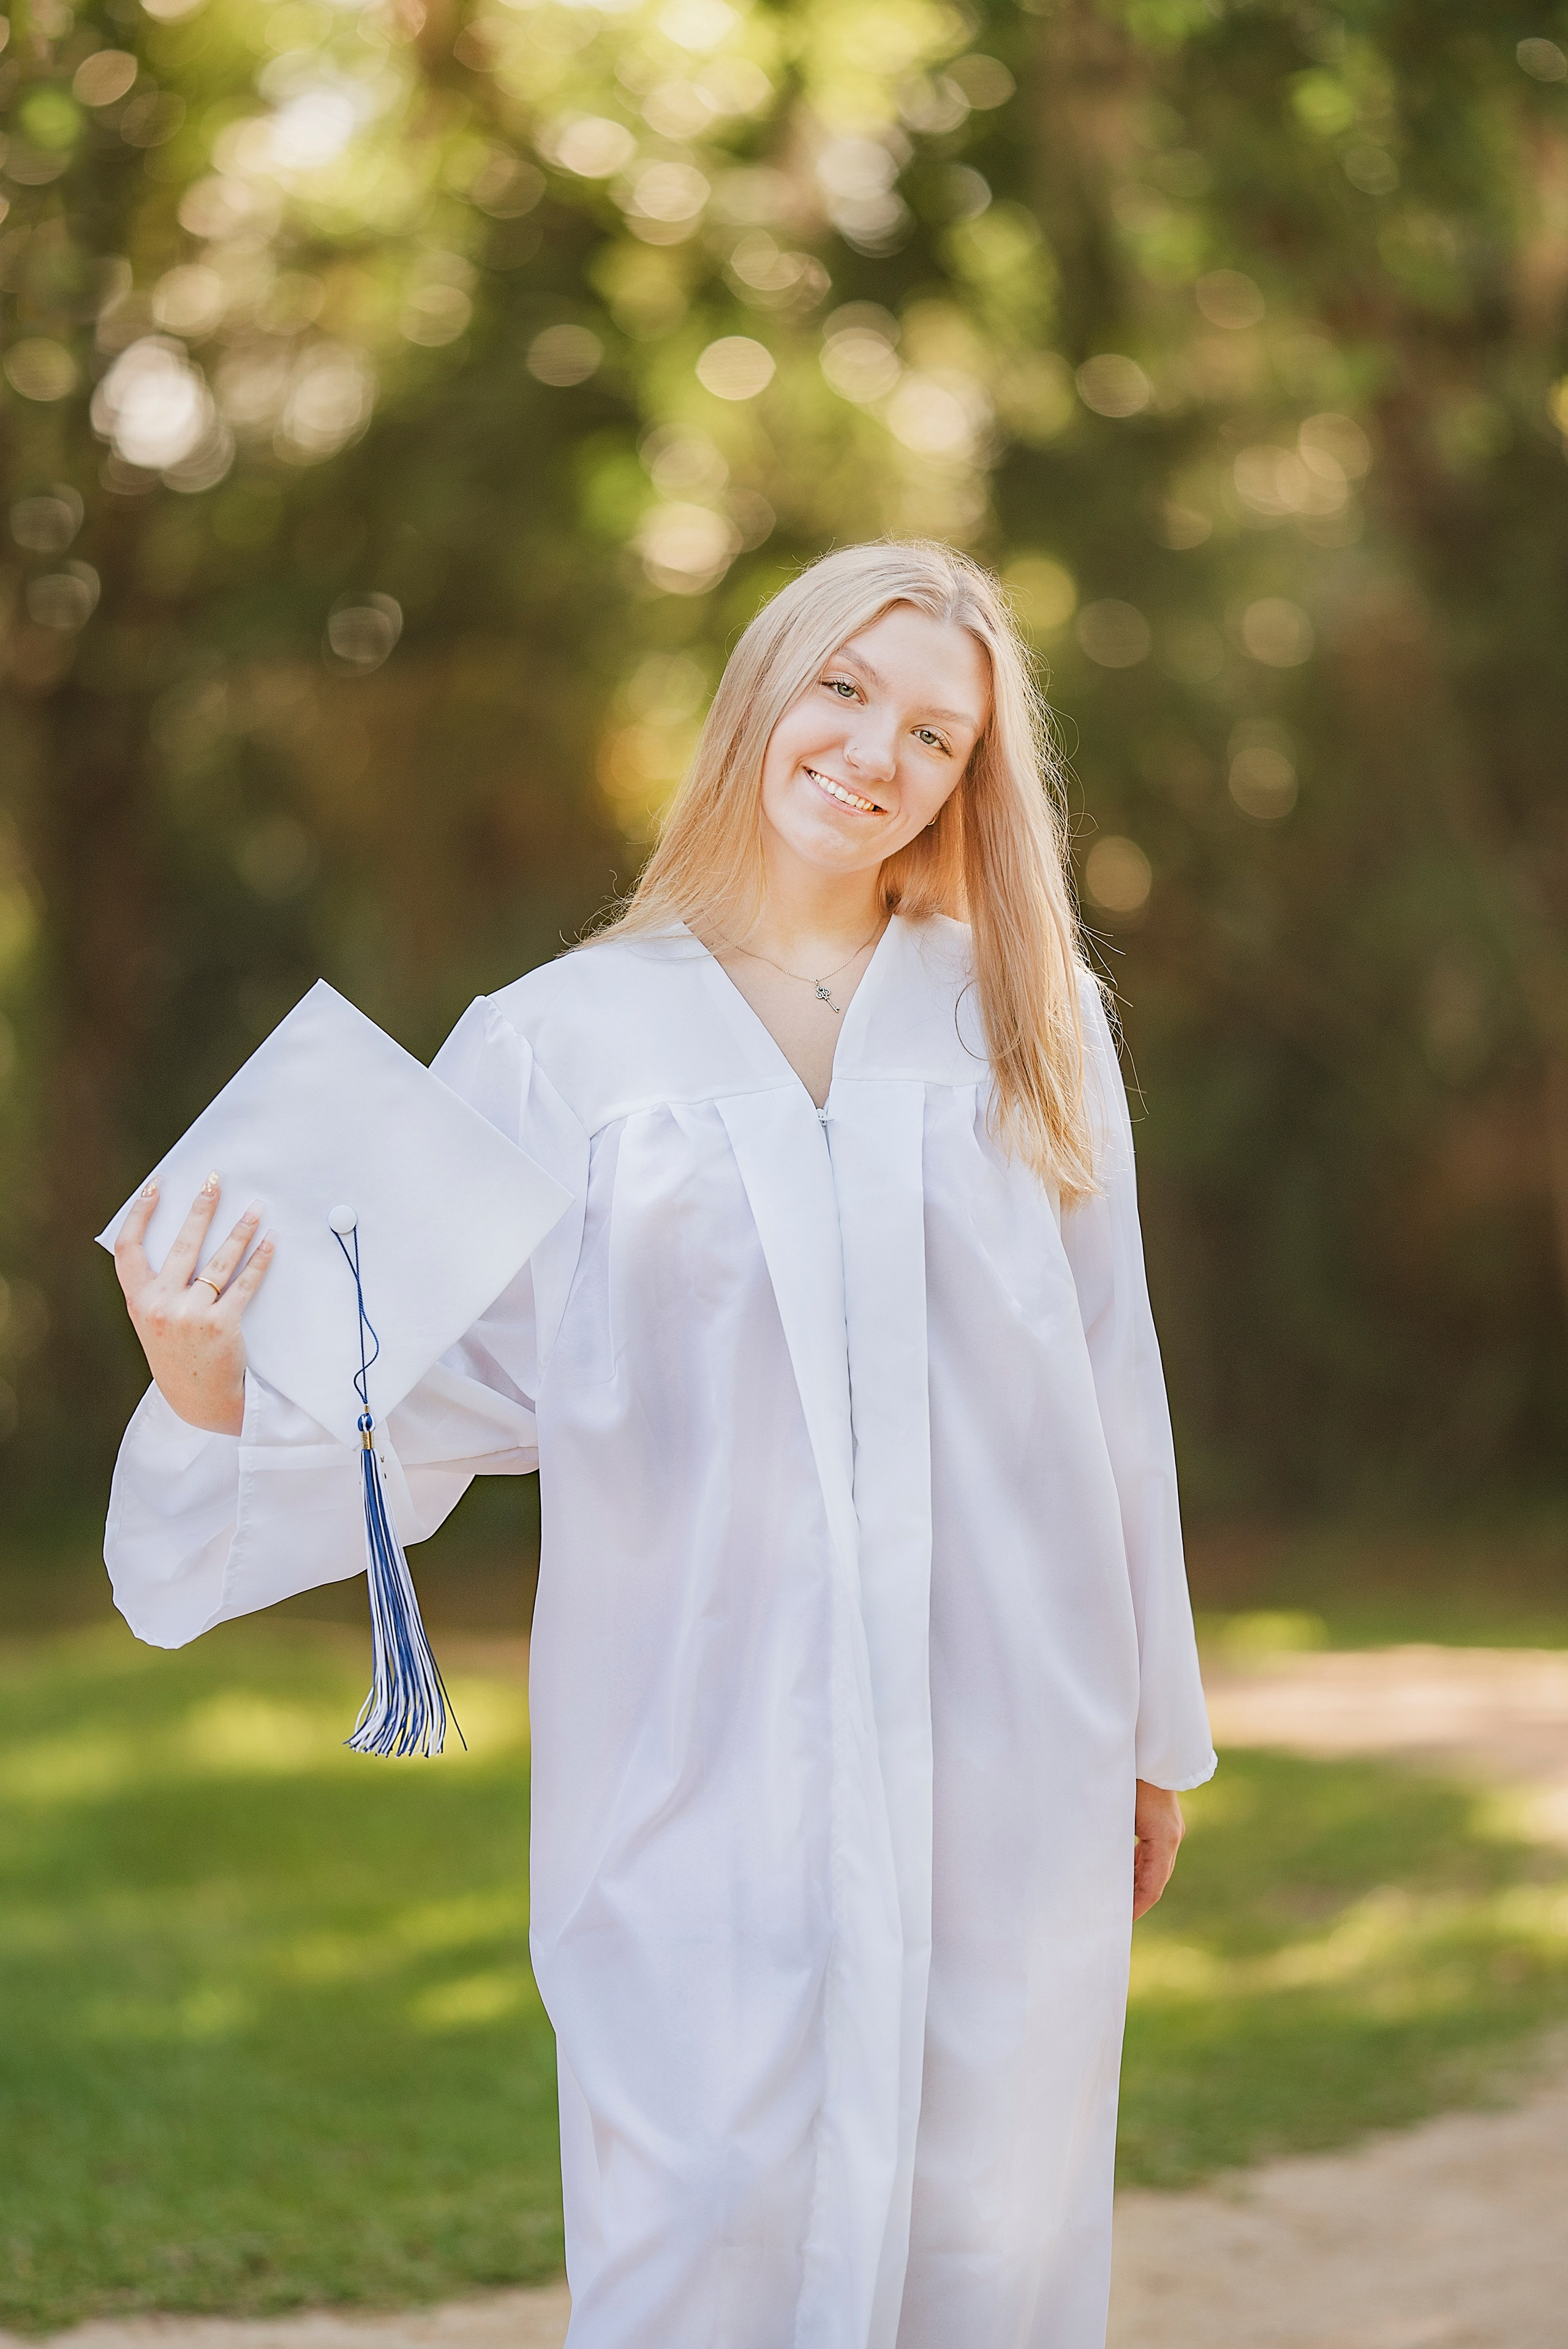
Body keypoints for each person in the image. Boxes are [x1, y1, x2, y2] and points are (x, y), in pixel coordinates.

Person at [105, 540, 1215, 2349]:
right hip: (704, 1751)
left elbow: (1113, 1380)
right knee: (701, 2222)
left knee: (991, 2232)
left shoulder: (1031, 1015)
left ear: (970, 781)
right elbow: (437, 1383)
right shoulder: (556, 1046)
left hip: (1005, 1731)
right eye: (847, 689)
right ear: (764, 691)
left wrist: (1150, 1734)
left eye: (938, 735)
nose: (877, 752)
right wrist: (218, 1386)